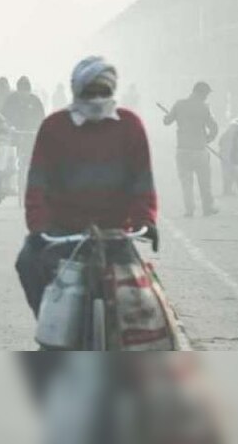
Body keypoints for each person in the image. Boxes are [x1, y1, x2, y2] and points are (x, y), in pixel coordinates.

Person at [15, 56, 159, 317]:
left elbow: (142, 182)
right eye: (89, 92)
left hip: (114, 235)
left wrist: (146, 221)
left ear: (113, 91)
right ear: (76, 91)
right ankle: (48, 324)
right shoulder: (54, 127)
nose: (95, 99)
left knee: (146, 304)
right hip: (63, 234)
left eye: (102, 92)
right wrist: (38, 229)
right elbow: (37, 185)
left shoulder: (130, 126)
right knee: (27, 263)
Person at [163, 81, 220, 217]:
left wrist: (167, 116)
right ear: (199, 92)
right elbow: (214, 127)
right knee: (204, 182)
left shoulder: (179, 104)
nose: (207, 96)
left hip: (183, 149)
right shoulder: (204, 107)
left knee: (186, 183)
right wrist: (208, 138)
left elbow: (167, 121)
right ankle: (207, 208)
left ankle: (190, 209)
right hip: (200, 149)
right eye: (206, 94)